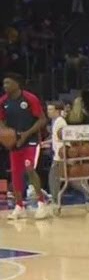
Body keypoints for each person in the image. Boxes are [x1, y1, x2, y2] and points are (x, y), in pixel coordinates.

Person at [2, 73, 51, 220]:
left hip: (31, 140)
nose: (5, 86)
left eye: (8, 83)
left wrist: (26, 134)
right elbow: (1, 121)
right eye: (4, 83)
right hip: (15, 143)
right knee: (16, 174)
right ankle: (19, 206)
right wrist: (6, 135)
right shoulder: (3, 101)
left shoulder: (30, 98)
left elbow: (42, 120)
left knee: (29, 168)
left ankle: (42, 204)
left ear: (17, 84)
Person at [46, 101, 89, 215]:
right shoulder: (55, 121)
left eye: (51, 109)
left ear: (58, 111)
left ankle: (56, 202)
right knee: (71, 180)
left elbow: (66, 139)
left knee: (58, 179)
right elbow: (56, 139)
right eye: (48, 109)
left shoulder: (60, 122)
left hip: (62, 156)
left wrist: (69, 155)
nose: (48, 112)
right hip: (59, 155)